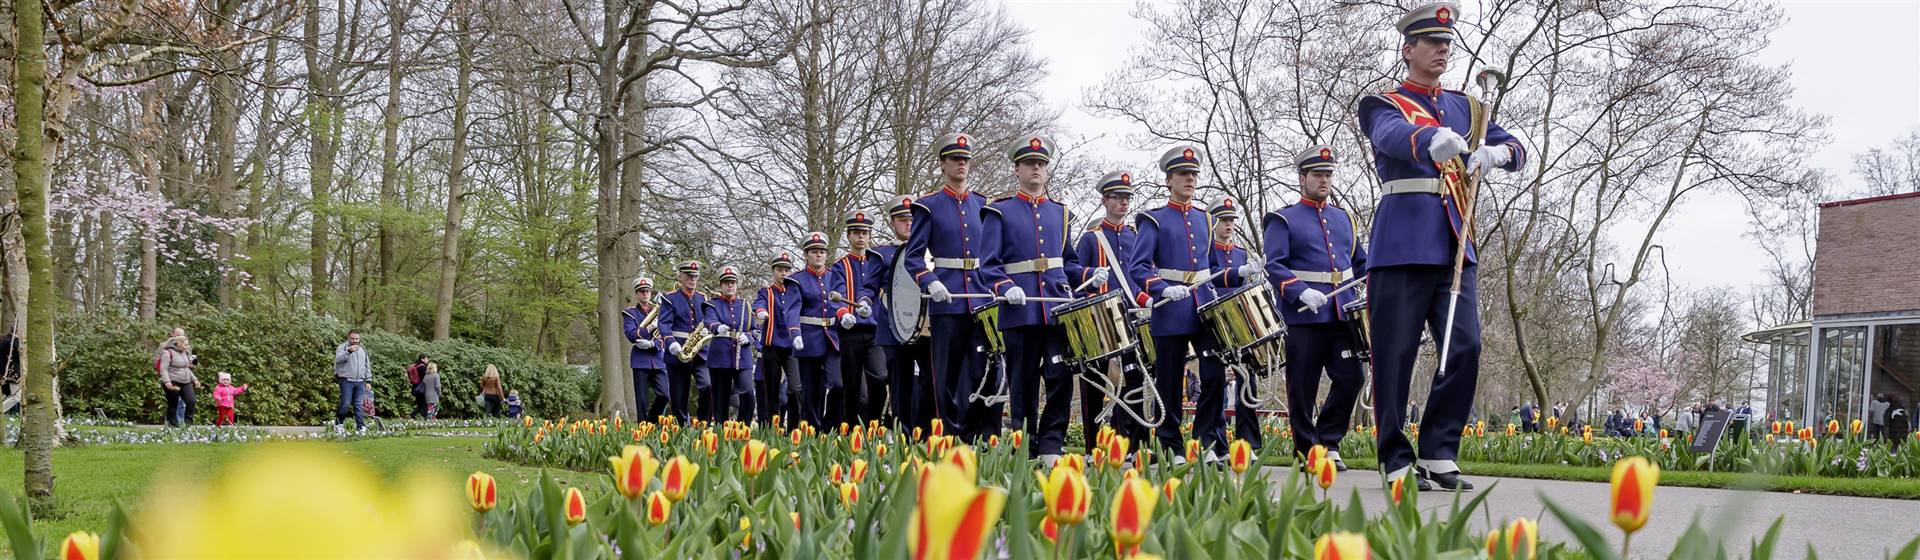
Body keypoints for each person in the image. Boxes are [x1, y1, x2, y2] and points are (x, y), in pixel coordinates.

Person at [1357, 1, 1527, 491]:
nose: (1442, 51)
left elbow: (1515, 146)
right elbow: (1389, 136)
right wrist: (1429, 139)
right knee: (1395, 354)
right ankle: (1394, 456)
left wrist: (1499, 152)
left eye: (1447, 45)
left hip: (1456, 245)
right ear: (1408, 49)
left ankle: (1438, 451)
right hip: (1402, 244)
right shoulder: (1383, 102)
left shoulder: (1468, 106)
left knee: (1465, 344)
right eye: (1432, 44)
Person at [979, 135, 1098, 462]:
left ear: (1046, 171)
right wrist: (1004, 287)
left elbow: (1069, 262)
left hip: (1056, 307)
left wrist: (1088, 275)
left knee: (1060, 376)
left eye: (1041, 164)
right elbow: (987, 265)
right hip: (1020, 310)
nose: (1036, 169)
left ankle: (1051, 444)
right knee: (1023, 382)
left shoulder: (1061, 213)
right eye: (1030, 163)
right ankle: (1026, 448)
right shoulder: (999, 211)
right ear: (1017, 169)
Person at [1127, 144, 1238, 463]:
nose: (1190, 179)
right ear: (1169, 180)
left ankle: (1205, 443)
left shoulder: (1206, 218)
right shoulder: (1153, 219)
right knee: (1170, 381)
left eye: (1193, 174)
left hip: (1204, 307)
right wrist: (1161, 288)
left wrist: (1237, 273)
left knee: (1215, 373)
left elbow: (1213, 269)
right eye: (1183, 174)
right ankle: (1170, 445)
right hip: (1171, 309)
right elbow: (1138, 266)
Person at [1263, 145, 1367, 471]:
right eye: (1318, 175)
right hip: (1304, 316)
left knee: (1353, 376)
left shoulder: (1343, 219)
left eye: (1328, 175)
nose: (1324, 180)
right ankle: (1307, 450)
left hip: (1341, 313)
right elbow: (1274, 265)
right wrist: (1300, 291)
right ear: (1302, 178)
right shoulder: (1283, 219)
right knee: (1303, 387)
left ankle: (1329, 441)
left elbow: (1360, 263)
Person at [903, 132, 994, 440]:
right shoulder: (928, 206)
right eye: (955, 159)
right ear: (943, 163)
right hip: (947, 299)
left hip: (980, 297)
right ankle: (950, 437)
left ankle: (976, 436)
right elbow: (912, 258)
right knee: (947, 375)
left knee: (980, 371)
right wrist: (930, 280)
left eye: (965, 160)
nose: (961, 165)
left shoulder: (983, 204)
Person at [1073, 172, 1148, 448]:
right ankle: (1094, 446)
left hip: (1129, 317)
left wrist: (1146, 299)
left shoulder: (1135, 237)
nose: (1124, 202)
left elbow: (1139, 276)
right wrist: (1091, 275)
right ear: (1105, 200)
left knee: (1135, 381)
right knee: (1095, 383)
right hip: (1098, 320)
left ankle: (1133, 444)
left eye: (1127, 197)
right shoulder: (1092, 239)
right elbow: (1076, 276)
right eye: (1118, 197)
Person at [1206, 197, 1266, 451]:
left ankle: (1247, 442)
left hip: (1240, 322)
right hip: (1216, 321)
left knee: (1247, 381)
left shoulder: (1241, 253)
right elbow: (1208, 278)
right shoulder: (1208, 251)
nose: (1229, 225)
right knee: (1216, 382)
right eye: (1223, 220)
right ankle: (1217, 443)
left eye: (1231, 220)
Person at [868, 195, 933, 431]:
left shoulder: (930, 252)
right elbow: (869, 286)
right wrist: (865, 301)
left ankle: (927, 432)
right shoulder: (881, 253)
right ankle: (904, 433)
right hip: (894, 326)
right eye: (902, 220)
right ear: (892, 224)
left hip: (927, 326)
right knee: (900, 383)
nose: (908, 224)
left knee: (930, 380)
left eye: (912, 219)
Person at [830, 211, 886, 426]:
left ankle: (874, 425)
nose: (860, 237)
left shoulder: (878, 261)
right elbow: (837, 291)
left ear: (870, 235)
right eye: (856, 233)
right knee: (852, 386)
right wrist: (844, 313)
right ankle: (851, 429)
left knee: (880, 377)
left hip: (875, 331)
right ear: (849, 236)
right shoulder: (840, 265)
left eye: (864, 232)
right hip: (850, 331)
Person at [792, 232, 845, 429]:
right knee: (811, 391)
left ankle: (830, 426)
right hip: (808, 339)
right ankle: (811, 431)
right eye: (814, 252)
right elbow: (792, 311)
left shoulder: (834, 277)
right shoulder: (796, 280)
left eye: (822, 251)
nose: (819, 255)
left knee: (838, 385)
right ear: (806, 254)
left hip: (832, 338)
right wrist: (795, 333)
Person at [753, 251, 804, 427]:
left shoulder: (796, 291)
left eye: (787, 270)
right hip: (771, 346)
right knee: (772, 391)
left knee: (796, 388)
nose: (783, 274)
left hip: (791, 347)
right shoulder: (766, 292)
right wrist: (760, 311)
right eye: (780, 270)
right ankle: (772, 429)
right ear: (773, 271)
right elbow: (759, 303)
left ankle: (794, 428)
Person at [703, 266, 755, 423]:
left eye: (732, 282)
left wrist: (749, 337)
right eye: (726, 283)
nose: (730, 285)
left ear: (737, 284)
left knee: (747, 393)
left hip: (742, 357)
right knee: (720, 400)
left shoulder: (746, 306)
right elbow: (709, 320)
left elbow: (756, 328)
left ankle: (742, 428)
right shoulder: (712, 304)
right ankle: (721, 431)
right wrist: (717, 327)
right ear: (721, 285)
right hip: (720, 357)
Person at [660, 261, 710, 421]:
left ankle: (704, 423)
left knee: (708, 386)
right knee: (679, 395)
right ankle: (682, 428)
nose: (692, 279)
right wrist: (670, 342)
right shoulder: (669, 298)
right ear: (680, 276)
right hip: (678, 352)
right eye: (689, 276)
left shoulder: (703, 298)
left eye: (695, 276)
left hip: (700, 352)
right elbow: (664, 324)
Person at [623, 277, 670, 420]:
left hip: (658, 359)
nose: (645, 294)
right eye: (642, 292)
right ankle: (643, 427)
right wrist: (650, 327)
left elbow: (666, 334)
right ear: (637, 294)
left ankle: (652, 420)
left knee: (665, 395)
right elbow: (631, 334)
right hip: (640, 360)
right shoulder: (630, 313)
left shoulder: (660, 312)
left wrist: (653, 344)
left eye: (647, 292)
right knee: (642, 399)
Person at [154, 327, 203, 427]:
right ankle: (173, 424)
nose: (187, 346)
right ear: (178, 343)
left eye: (187, 344)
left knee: (191, 401)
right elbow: (163, 369)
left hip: (185, 381)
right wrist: (167, 381)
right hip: (173, 381)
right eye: (185, 344)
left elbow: (187, 368)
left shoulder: (185, 352)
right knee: (173, 403)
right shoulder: (167, 352)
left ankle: (188, 424)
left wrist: (195, 379)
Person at [333, 330, 372, 431]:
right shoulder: (342, 347)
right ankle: (338, 424)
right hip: (346, 380)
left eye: (357, 339)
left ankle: (361, 427)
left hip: (360, 381)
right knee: (345, 404)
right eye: (352, 338)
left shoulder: (363, 349)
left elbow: (367, 365)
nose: (355, 341)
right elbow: (338, 359)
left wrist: (368, 380)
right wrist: (349, 351)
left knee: (358, 405)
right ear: (348, 338)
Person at [406, 354, 431, 419]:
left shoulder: (416, 366)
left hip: (416, 388)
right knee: (425, 404)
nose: (428, 360)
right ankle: (426, 419)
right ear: (422, 359)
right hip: (422, 389)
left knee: (420, 405)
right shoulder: (423, 367)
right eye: (426, 358)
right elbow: (426, 378)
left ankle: (412, 415)